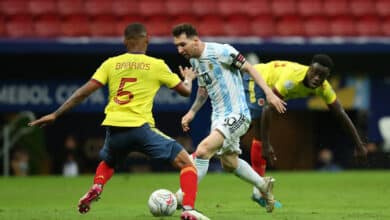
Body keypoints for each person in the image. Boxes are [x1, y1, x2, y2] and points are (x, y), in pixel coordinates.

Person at [28, 23, 209, 220]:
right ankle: (188, 209)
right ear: (147, 39)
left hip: (114, 129)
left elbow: (83, 92)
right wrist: (189, 78)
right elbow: (185, 92)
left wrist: (56, 114)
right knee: (187, 164)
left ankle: (97, 185)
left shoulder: (111, 63)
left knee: (109, 161)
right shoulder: (157, 65)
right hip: (140, 127)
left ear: (125, 41)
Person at [172, 23, 287, 213]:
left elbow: (249, 68)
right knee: (230, 162)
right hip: (218, 118)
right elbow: (203, 89)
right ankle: (262, 184)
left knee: (202, 151)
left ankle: (183, 197)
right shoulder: (194, 61)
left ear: (195, 40)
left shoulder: (222, 51)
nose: (180, 49)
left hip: (238, 114)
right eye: (177, 45)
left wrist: (269, 94)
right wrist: (192, 112)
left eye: (182, 44)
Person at [242, 55, 368, 206]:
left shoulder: (323, 88)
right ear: (309, 69)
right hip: (256, 78)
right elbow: (269, 109)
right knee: (254, 127)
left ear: (327, 77)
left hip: (270, 86)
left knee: (250, 128)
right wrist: (267, 144)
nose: (316, 78)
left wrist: (359, 144)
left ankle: (258, 191)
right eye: (314, 73)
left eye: (321, 76)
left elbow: (340, 113)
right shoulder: (292, 79)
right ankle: (257, 189)